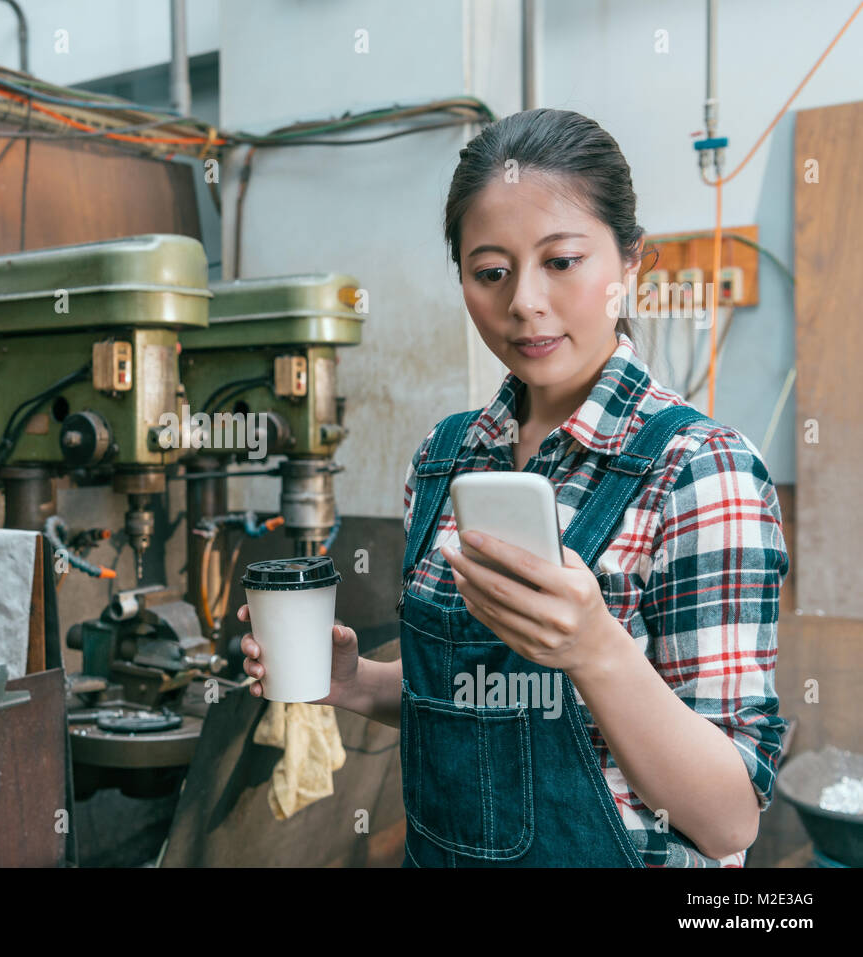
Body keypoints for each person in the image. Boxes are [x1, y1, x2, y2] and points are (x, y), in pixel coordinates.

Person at [236, 108, 789, 868]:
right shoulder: (445, 456)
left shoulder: (700, 472)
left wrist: (597, 650)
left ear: (631, 266)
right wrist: (360, 683)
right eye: (490, 271)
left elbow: (730, 820)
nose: (524, 301)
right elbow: (479, 695)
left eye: (561, 261)